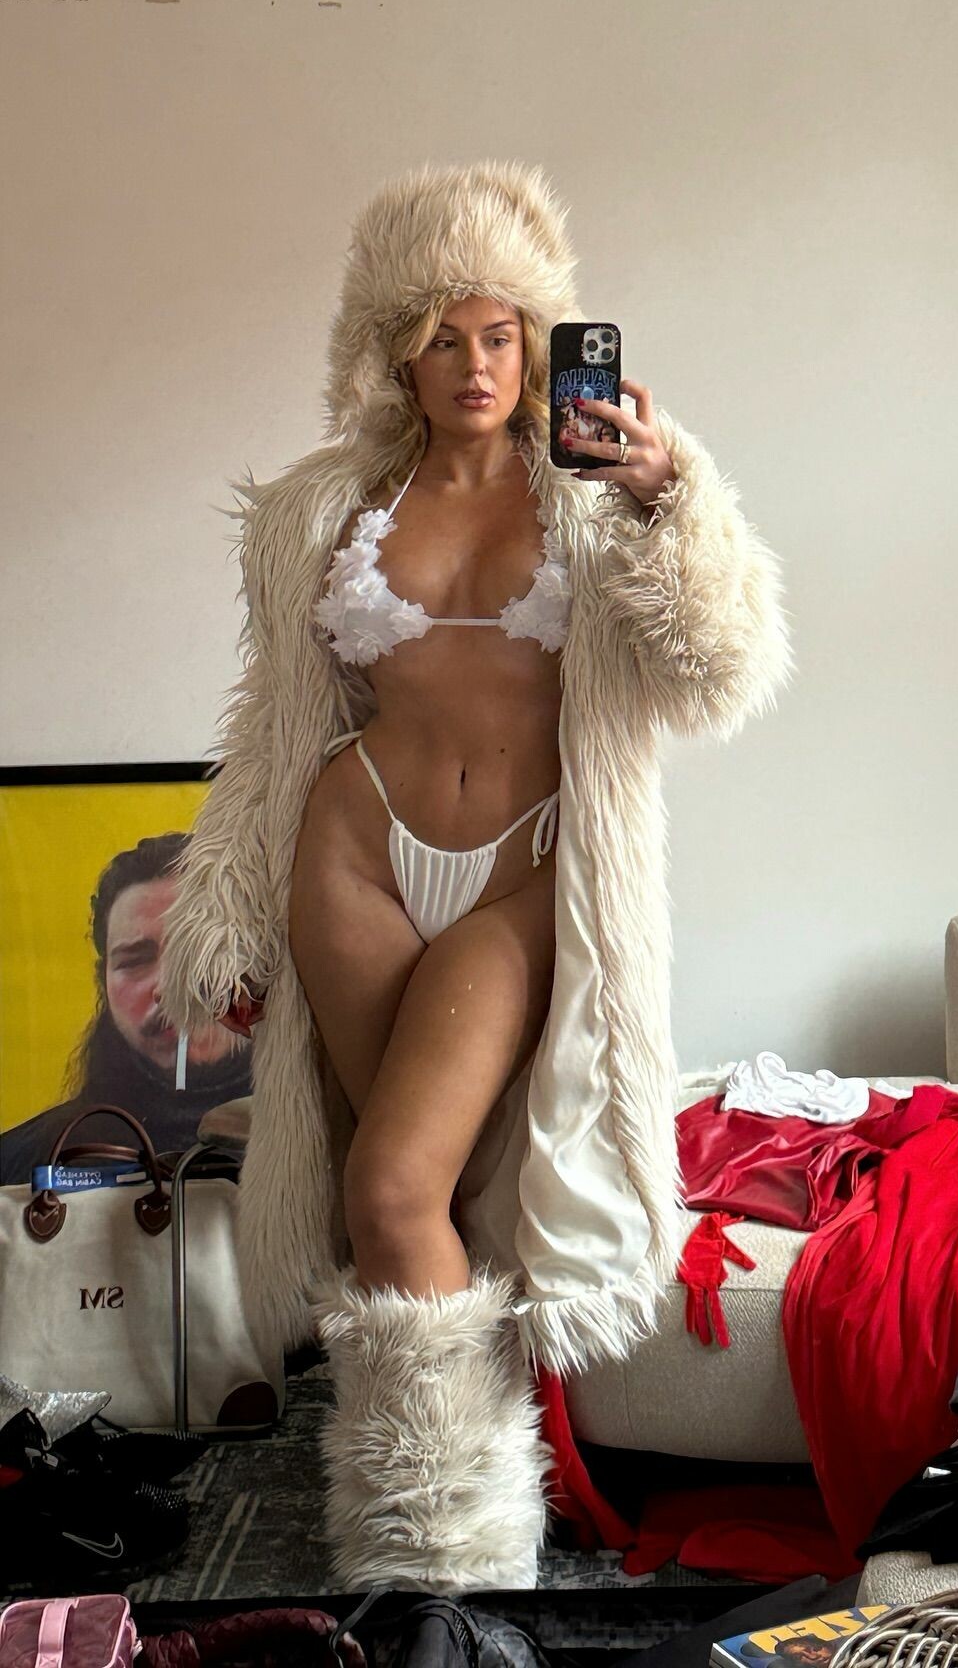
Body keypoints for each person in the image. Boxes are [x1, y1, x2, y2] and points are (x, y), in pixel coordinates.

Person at [156, 159, 792, 1591]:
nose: (476, 363)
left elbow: (719, 670)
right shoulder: (320, 512)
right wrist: (229, 903)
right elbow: (278, 725)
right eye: (441, 336)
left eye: (500, 331)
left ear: (538, 337)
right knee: (396, 1205)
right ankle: (430, 1543)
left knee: (408, 1186)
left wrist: (670, 497)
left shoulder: (595, 490)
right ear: (394, 353)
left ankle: (449, 1561)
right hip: (355, 848)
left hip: (528, 872)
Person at [0, 832, 250, 1185]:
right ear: (103, 984)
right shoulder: (20, 1167)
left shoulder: (323, 1146)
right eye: (135, 960)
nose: (168, 987)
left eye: (198, 951)